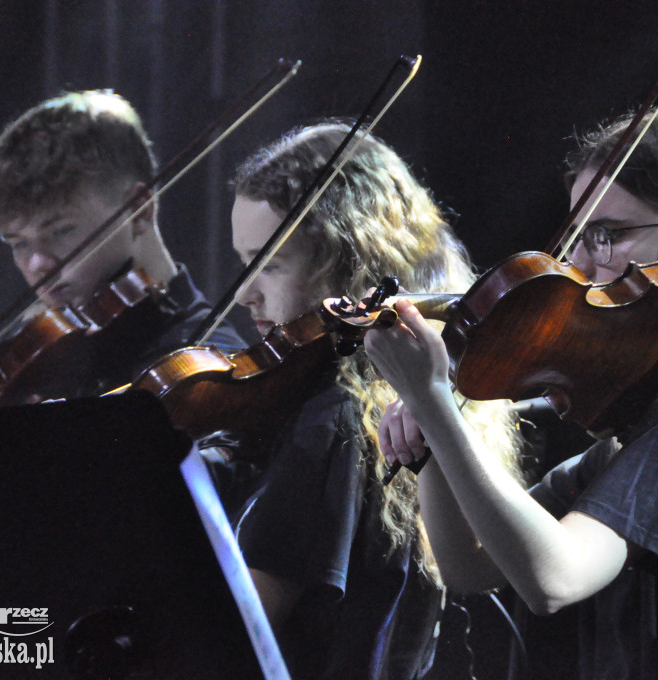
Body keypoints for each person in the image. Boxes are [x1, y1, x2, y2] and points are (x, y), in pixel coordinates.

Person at [364, 107, 658, 679]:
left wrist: (433, 403)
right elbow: (470, 568)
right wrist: (432, 437)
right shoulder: (651, 409)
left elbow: (555, 578)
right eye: (580, 237)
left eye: (608, 236)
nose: (578, 266)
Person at [220, 121, 521, 679]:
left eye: (271, 264)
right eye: (244, 261)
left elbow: (231, 640)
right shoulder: (396, 402)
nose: (244, 292)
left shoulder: (333, 421)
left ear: (348, 264)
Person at [0, 89, 242, 466]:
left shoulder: (209, 364)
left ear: (139, 211)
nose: (38, 263)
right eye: (18, 242)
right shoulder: (37, 354)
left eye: (60, 231)